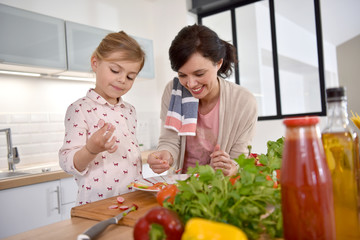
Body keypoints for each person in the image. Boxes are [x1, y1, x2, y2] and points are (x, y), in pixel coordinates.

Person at [147, 24, 258, 176]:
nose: (190, 84)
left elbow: (239, 158)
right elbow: (169, 140)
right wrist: (165, 156)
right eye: (182, 75)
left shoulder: (243, 101)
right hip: (180, 187)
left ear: (218, 63)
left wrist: (231, 166)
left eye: (199, 74)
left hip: (220, 189)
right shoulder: (174, 91)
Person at [59, 31, 145, 205]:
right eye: (115, 70)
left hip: (132, 201)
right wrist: (91, 149)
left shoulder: (130, 111)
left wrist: (151, 159)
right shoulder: (80, 109)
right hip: (95, 206)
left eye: (130, 77)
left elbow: (130, 158)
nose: (122, 80)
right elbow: (67, 162)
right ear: (95, 63)